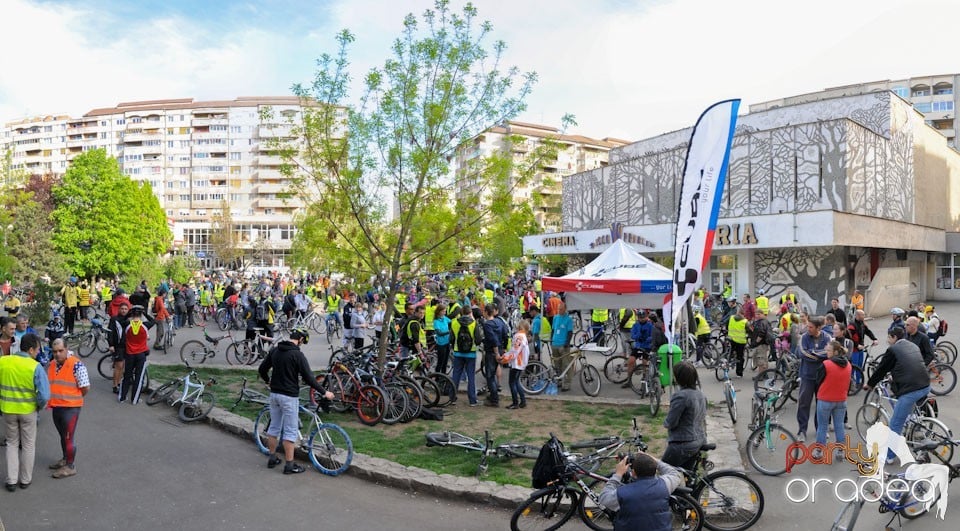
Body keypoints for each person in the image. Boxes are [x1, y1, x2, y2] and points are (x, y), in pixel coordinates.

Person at [257, 329, 334, 475]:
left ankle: (272, 458)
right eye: (303, 341)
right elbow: (310, 379)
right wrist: (325, 392)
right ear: (300, 339)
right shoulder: (297, 355)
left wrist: (268, 381)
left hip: (274, 395)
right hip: (289, 397)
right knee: (290, 431)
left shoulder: (275, 350)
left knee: (273, 428)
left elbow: (262, 369)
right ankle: (289, 465)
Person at [864, 327, 931, 463]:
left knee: (895, 424)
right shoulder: (912, 345)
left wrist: (870, 384)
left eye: (889, 337)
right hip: (925, 384)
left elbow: (881, 369)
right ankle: (914, 424)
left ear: (894, 337)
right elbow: (909, 364)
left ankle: (889, 456)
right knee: (908, 412)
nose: (888, 341)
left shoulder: (893, 350)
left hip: (911, 389)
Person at [0, 333, 50, 491]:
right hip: (28, 411)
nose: (37, 353)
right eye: (37, 350)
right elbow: (44, 395)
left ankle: (11, 480)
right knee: (28, 445)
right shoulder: (35, 367)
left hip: (8, 409)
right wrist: (39, 406)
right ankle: (25, 479)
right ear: (30, 350)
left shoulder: (4, 361)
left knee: (11, 444)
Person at [598, 451, 684, 531]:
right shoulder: (665, 484)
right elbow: (674, 473)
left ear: (633, 472)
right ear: (655, 469)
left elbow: (603, 498)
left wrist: (618, 474)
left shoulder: (622, 493)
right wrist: (654, 460)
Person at [46, 338, 89, 478]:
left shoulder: (77, 365)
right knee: (62, 436)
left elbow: (85, 387)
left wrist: (73, 398)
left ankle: (70, 466)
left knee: (69, 438)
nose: (57, 354)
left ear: (66, 349)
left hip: (71, 408)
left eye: (60, 351)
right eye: (54, 351)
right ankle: (65, 459)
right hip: (56, 406)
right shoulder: (52, 364)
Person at [661, 361, 707, 470]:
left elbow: (671, 422)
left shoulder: (681, 396)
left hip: (683, 443)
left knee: (664, 472)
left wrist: (666, 423)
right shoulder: (700, 394)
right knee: (687, 475)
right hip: (699, 439)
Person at [814, 340, 851, 458]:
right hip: (841, 399)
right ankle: (840, 450)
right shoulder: (848, 365)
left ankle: (819, 451)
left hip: (825, 399)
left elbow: (818, 381)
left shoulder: (826, 364)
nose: (826, 352)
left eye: (829, 350)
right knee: (839, 425)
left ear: (835, 352)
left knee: (822, 426)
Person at [797, 316, 831, 442]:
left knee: (821, 405)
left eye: (811, 327)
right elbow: (802, 353)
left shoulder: (827, 337)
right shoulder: (804, 337)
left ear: (818, 328)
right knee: (804, 404)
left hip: (822, 377)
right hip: (807, 376)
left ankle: (821, 429)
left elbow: (829, 353)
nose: (808, 329)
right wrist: (819, 355)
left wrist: (813, 353)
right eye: (808, 326)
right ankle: (802, 430)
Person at [450, 306, 484, 406]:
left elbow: (451, 339)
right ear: (470, 313)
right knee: (471, 377)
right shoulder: (474, 323)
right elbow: (478, 340)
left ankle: (452, 398)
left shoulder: (454, 322)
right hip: (471, 353)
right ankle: (472, 400)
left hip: (457, 352)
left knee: (456, 375)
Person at [120, 306, 154, 404]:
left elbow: (121, 320)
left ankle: (122, 397)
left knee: (127, 375)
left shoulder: (126, 324)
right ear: (141, 315)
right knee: (139, 378)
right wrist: (145, 313)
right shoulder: (146, 325)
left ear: (131, 314)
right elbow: (153, 320)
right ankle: (135, 400)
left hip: (129, 353)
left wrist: (129, 314)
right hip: (141, 354)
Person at [480, 303, 507, 405]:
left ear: (486, 312)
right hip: (500, 349)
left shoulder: (487, 325)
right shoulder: (500, 322)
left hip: (492, 351)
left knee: (490, 376)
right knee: (494, 372)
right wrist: (503, 349)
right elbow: (505, 334)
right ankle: (493, 395)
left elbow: (493, 339)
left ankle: (494, 399)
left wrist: (496, 353)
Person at [502, 319, 530, 410]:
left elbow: (515, 351)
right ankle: (522, 401)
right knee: (516, 382)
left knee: (512, 382)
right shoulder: (523, 336)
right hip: (521, 363)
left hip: (516, 363)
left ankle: (515, 402)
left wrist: (505, 358)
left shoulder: (518, 336)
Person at [550, 303, 575, 392]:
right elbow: (553, 330)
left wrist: (567, 343)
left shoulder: (568, 319)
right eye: (558, 309)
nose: (559, 311)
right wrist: (551, 340)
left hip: (563, 345)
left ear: (565, 309)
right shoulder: (555, 318)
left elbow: (570, 332)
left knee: (566, 364)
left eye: (561, 309)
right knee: (557, 365)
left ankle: (567, 383)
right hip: (555, 343)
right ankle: (559, 380)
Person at [627, 311, 654, 388]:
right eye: (640, 318)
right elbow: (633, 335)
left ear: (647, 317)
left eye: (643, 317)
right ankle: (629, 380)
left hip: (647, 346)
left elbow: (653, 335)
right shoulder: (635, 325)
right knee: (630, 361)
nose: (642, 319)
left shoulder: (650, 325)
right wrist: (637, 335)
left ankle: (645, 379)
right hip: (638, 346)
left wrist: (648, 339)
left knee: (645, 362)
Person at [726, 308, 748, 377]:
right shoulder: (745, 321)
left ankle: (728, 361)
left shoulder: (731, 317)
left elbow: (727, 325)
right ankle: (739, 373)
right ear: (744, 314)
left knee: (730, 351)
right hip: (740, 341)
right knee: (740, 357)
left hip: (731, 338)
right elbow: (749, 330)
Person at [433, 304, 452, 375]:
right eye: (443, 311)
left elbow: (451, 322)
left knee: (445, 362)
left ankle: (443, 377)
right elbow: (439, 333)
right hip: (441, 344)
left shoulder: (444, 318)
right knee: (440, 362)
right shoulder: (436, 321)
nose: (445, 313)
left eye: (445, 311)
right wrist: (449, 331)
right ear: (439, 312)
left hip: (447, 343)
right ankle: (437, 377)